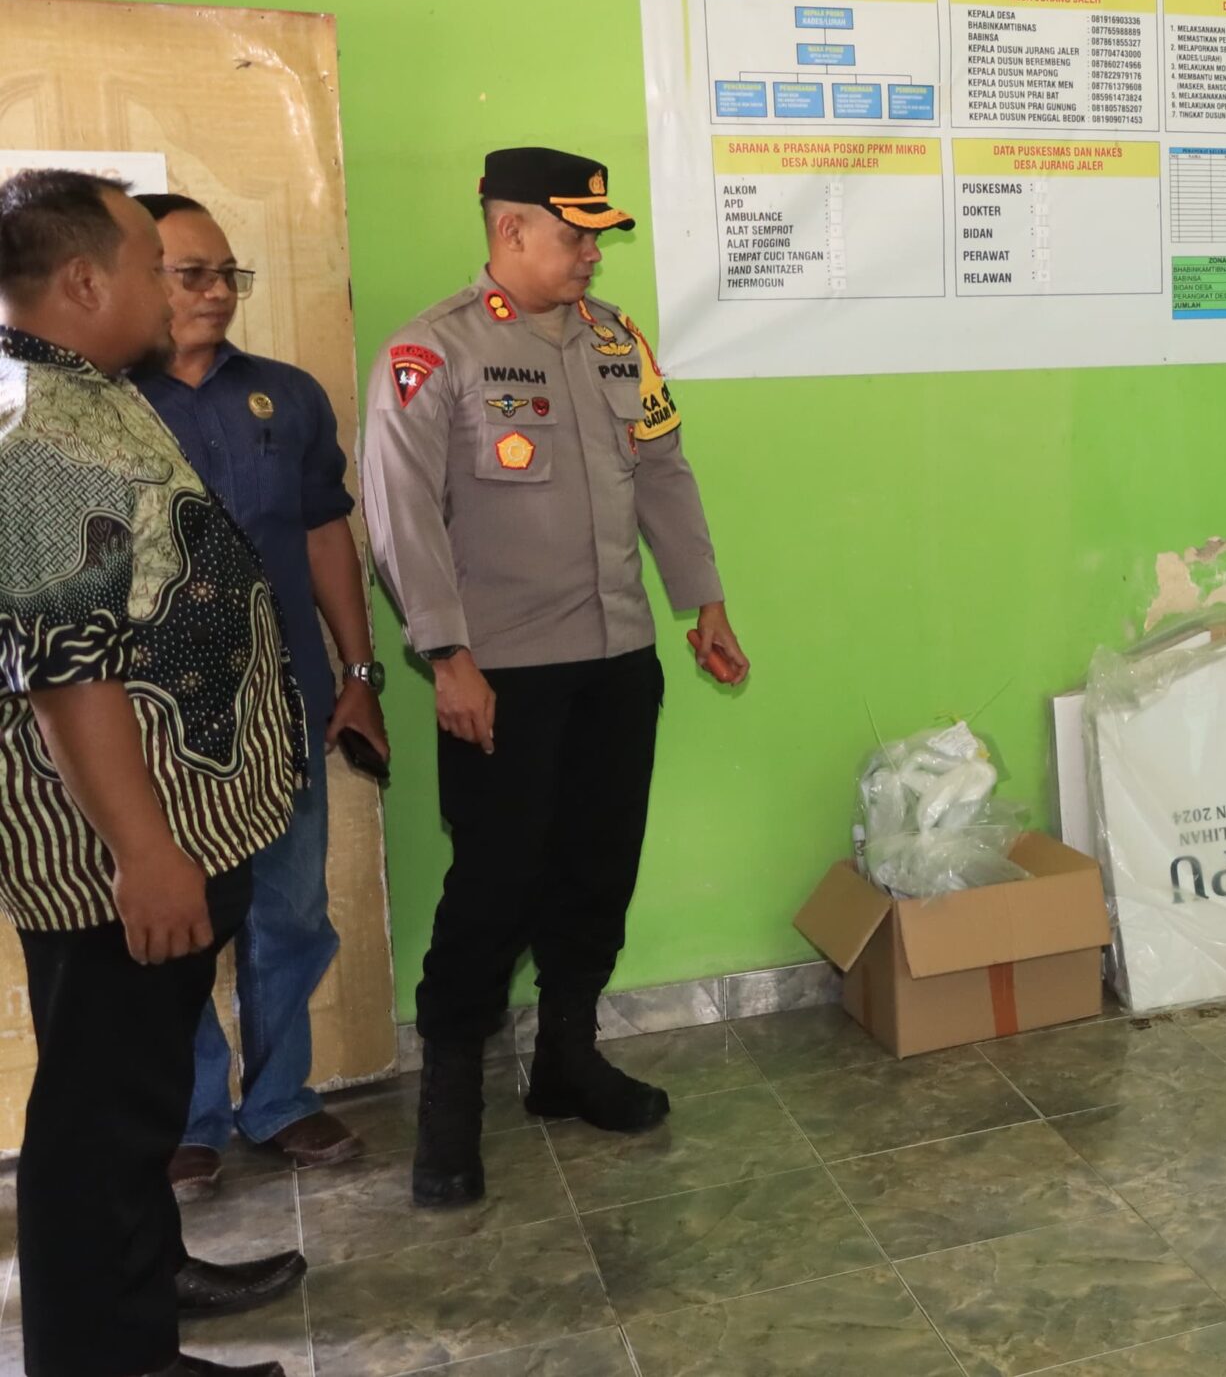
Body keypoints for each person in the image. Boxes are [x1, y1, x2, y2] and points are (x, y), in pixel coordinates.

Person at [360, 148, 748, 1209]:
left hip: (617, 659)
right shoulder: (432, 352)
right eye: (575, 235)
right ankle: (449, 1101)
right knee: (494, 886)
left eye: (597, 238)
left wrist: (702, 600)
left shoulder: (619, 341)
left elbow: (663, 470)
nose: (591, 255)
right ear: (510, 230)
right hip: (503, 674)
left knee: (595, 869)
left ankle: (566, 1061)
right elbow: (398, 516)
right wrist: (447, 656)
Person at [0, 168, 309, 1377]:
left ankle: (143, 1293)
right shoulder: (46, 436)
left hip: (158, 827)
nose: (173, 291)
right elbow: (67, 667)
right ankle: (111, 1358)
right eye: (149, 265)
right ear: (84, 281)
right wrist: (146, 852)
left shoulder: (87, 395)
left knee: (119, 1108)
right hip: (118, 853)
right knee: (101, 1119)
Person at [131, 195, 383, 1202]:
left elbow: (323, 535)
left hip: (284, 705)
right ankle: (188, 1117)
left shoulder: (287, 395)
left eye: (227, 273)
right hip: (156, 726)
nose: (216, 292)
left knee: (290, 911)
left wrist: (359, 676)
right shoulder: (99, 409)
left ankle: (279, 1099)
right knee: (176, 929)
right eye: (190, 273)